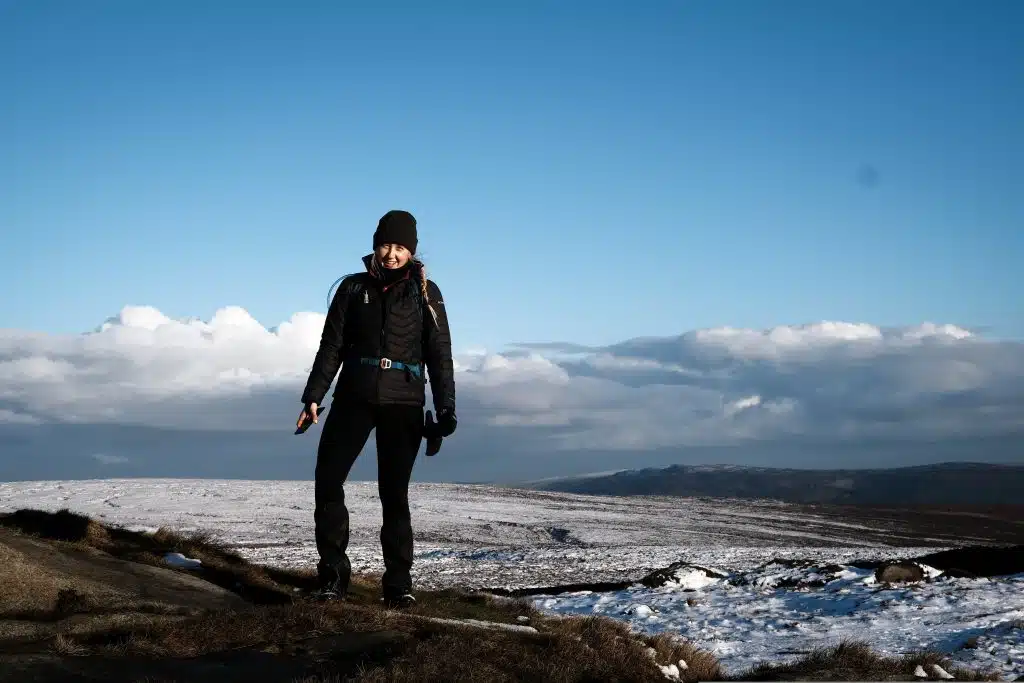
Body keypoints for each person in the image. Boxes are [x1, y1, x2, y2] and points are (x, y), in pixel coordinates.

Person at [296, 209, 457, 608]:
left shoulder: (426, 292)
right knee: (327, 480)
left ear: (411, 251)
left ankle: (399, 586)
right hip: (353, 397)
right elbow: (330, 346)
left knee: (394, 494)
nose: (391, 254)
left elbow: (439, 355)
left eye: (400, 247)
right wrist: (313, 396)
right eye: (386, 244)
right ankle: (332, 577)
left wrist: (446, 408)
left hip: (404, 402)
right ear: (375, 245)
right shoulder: (351, 288)